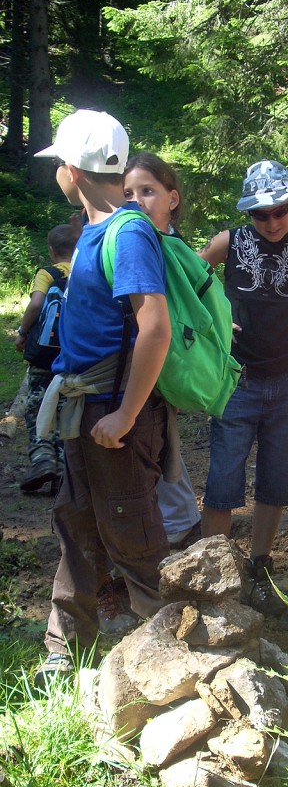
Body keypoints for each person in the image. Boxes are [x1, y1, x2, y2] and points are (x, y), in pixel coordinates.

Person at [32, 109, 171, 682]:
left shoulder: (127, 230)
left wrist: (124, 415)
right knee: (77, 525)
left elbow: (155, 328)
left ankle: (173, 657)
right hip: (85, 412)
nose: (58, 173)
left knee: (131, 534)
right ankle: (62, 654)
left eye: (60, 165)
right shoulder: (92, 229)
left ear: (73, 170)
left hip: (114, 413)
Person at [199, 160, 288, 615]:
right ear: (248, 214)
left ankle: (259, 568)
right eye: (260, 214)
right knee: (223, 479)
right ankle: (209, 571)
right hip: (237, 381)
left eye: (280, 210)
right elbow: (187, 278)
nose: (271, 221)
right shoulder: (230, 241)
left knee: (274, 482)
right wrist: (213, 315)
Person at [123, 153, 201, 548]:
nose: (137, 201)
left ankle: (180, 526)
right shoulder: (148, 241)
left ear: (172, 198)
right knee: (163, 444)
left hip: (162, 365)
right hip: (155, 364)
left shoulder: (165, 246)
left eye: (147, 191)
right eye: (129, 193)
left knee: (160, 446)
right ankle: (179, 520)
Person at [15, 224, 77, 493]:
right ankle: (63, 471)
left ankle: (42, 461)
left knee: (38, 409)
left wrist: (22, 332)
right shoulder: (82, 271)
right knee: (64, 411)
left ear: (52, 251)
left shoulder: (47, 273)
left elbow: (38, 304)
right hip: (73, 354)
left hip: (42, 356)